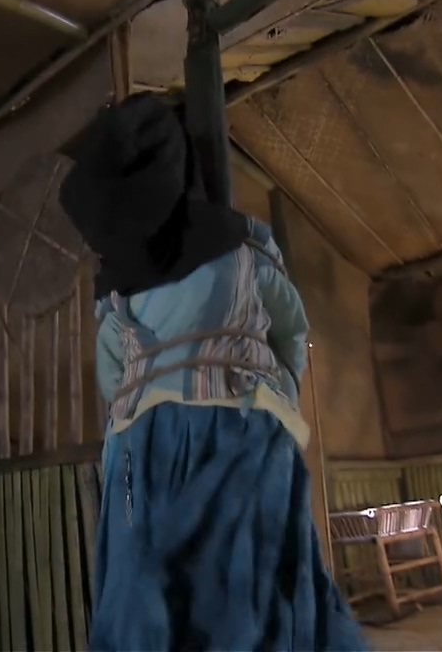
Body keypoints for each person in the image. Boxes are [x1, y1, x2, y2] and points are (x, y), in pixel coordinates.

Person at [59, 94, 370, 652]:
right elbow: (289, 329)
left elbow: (112, 375)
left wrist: (145, 402)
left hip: (140, 451)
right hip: (241, 427)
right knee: (255, 596)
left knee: (144, 594)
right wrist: (275, 393)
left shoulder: (114, 286)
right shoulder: (243, 250)